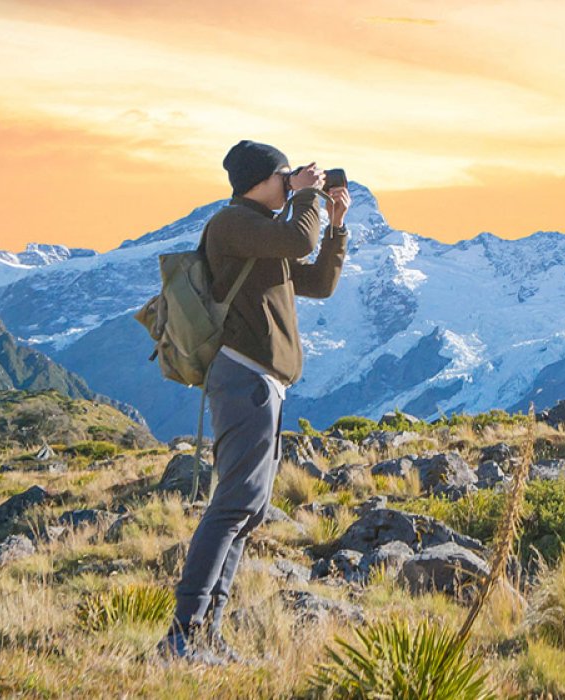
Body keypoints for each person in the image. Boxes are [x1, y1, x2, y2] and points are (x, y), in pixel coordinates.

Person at [159, 140, 351, 664]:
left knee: (248, 509)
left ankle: (206, 633)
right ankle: (182, 633)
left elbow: (319, 282)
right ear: (261, 179)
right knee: (232, 506)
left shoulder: (264, 236)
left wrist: (334, 226)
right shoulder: (233, 224)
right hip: (244, 378)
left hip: (264, 384)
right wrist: (308, 198)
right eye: (284, 175)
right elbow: (295, 238)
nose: (291, 181)